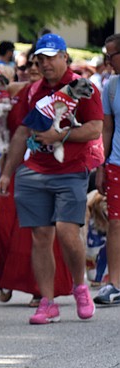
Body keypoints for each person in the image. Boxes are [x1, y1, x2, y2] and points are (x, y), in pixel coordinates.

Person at [0, 33, 102, 324]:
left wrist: (61, 135)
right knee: (40, 236)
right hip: (34, 171)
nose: (44, 64)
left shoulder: (83, 87)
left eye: (50, 57)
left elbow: (94, 128)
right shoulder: (34, 91)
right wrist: (7, 173)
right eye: (39, 59)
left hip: (71, 170)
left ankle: (80, 287)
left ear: (64, 57)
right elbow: (21, 132)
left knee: (68, 232)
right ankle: (47, 302)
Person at [0, 48, 73, 306]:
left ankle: (40, 288)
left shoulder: (54, 94)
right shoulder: (15, 91)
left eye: (39, 65)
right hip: (13, 167)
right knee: (2, 228)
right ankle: (5, 281)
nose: (32, 70)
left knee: (37, 231)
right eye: (27, 66)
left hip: (42, 166)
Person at [94, 33, 120, 305]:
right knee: (115, 224)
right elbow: (107, 129)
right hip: (116, 164)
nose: (107, 61)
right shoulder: (111, 86)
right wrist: (101, 166)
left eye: (111, 55)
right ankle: (114, 283)